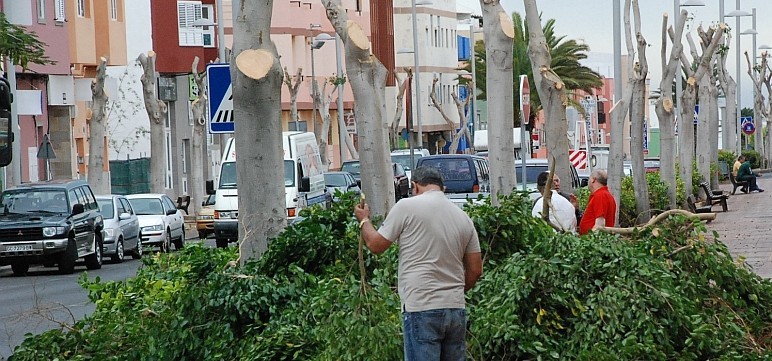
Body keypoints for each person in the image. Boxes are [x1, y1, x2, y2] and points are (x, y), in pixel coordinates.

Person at [354, 166, 483, 361]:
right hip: (455, 308)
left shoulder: (406, 207)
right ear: (443, 188)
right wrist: (454, 292)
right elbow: (475, 270)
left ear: (414, 186)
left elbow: (376, 245)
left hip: (421, 308)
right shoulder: (463, 217)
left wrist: (364, 221)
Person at [578, 169, 617, 235]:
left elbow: (600, 225)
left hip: (592, 242)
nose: (588, 182)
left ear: (593, 179)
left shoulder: (600, 196)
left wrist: (589, 241)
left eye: (589, 179)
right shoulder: (605, 195)